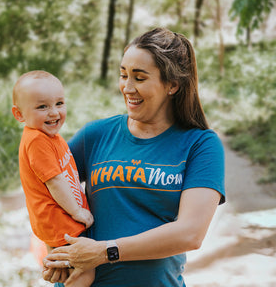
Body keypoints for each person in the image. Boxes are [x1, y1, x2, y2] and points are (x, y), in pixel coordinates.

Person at [42, 28, 225, 287]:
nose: (127, 87)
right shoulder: (96, 135)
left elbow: (190, 233)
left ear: (172, 84)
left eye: (139, 78)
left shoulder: (200, 145)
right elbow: (43, 190)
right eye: (123, 74)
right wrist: (54, 252)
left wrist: (104, 252)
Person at [12, 70, 95, 287]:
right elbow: (55, 181)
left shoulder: (48, 136)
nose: (54, 112)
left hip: (57, 221)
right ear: (19, 114)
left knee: (64, 273)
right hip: (59, 221)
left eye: (59, 103)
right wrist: (77, 211)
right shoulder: (37, 141)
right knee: (84, 273)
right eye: (42, 107)